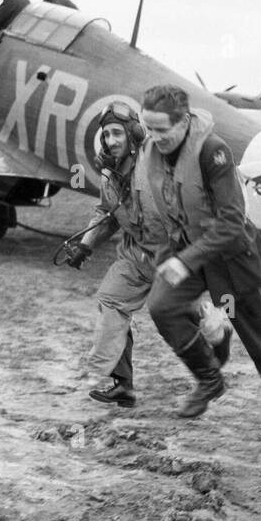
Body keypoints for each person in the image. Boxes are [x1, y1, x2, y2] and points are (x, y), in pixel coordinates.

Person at [139, 84, 261, 451]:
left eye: (161, 129)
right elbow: (167, 211)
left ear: (184, 121)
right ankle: (209, 379)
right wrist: (167, 258)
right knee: (162, 307)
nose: (154, 137)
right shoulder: (153, 151)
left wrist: (184, 261)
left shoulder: (213, 153)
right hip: (190, 252)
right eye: (148, 128)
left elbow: (232, 221)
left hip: (231, 259)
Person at [61, 103, 161, 408]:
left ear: (134, 134)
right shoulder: (110, 173)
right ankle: (122, 385)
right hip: (138, 255)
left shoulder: (157, 167)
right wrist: (85, 245)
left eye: (118, 133)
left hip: (174, 256)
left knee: (188, 317)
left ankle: (224, 354)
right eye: (106, 135)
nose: (111, 141)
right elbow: (107, 212)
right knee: (112, 299)